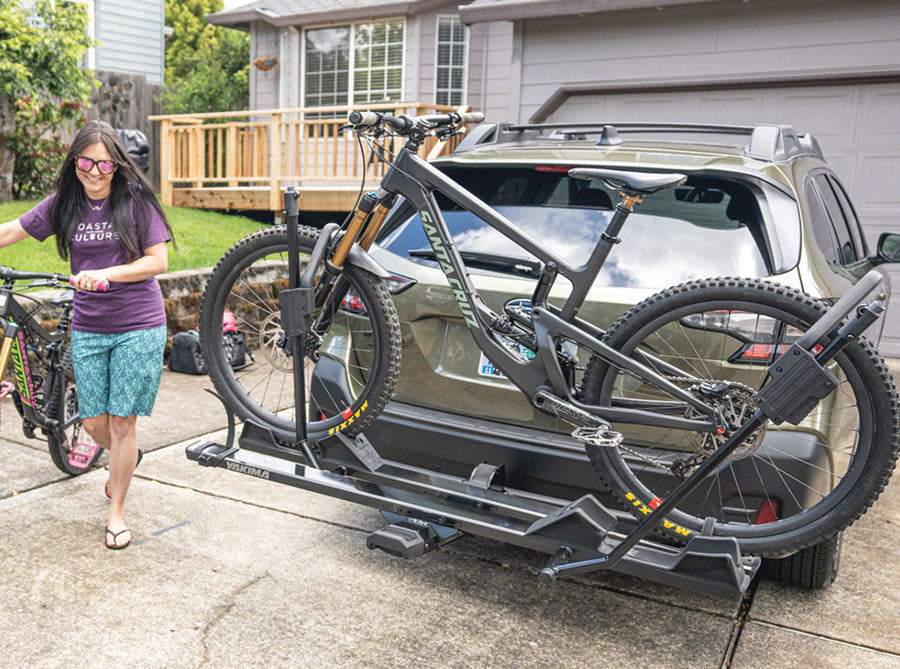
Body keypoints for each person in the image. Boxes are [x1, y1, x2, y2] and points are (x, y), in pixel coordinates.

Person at [0, 120, 173, 549]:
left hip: (138, 324)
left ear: (117, 165)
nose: (94, 172)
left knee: (122, 422)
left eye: (104, 164)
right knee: (96, 423)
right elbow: (12, 231)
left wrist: (105, 274)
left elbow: (157, 262)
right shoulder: (65, 204)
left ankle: (116, 510)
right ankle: (123, 456)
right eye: (85, 162)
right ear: (73, 161)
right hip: (91, 327)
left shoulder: (135, 202)